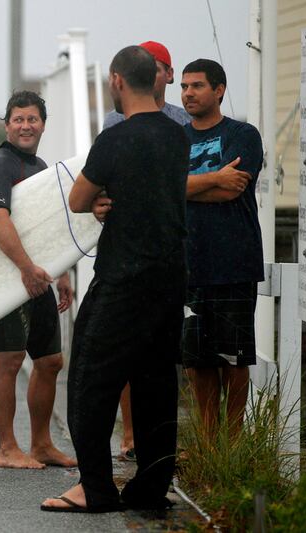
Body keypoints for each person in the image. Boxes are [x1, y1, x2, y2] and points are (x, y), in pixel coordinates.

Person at [42, 45, 188, 512]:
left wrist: (103, 198)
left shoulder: (115, 138)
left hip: (123, 275)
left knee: (90, 378)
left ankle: (94, 489)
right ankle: (150, 489)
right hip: (169, 276)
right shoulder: (178, 136)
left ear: (117, 82)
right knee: (156, 383)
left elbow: (79, 199)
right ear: (158, 80)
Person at [0, 90, 76, 470]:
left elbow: (53, 226)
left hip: (39, 277)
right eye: (18, 119)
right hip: (6, 278)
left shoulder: (40, 167)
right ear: (7, 125)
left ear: (43, 125)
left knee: (50, 362)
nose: (25, 126)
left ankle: (42, 444)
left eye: (32, 119)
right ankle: (7, 448)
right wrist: (25, 268)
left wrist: (62, 271)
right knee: (10, 360)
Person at [102, 40, 190, 463]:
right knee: (131, 353)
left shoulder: (179, 124)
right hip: (141, 253)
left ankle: (152, 457)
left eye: (160, 67)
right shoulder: (114, 123)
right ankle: (132, 436)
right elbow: (102, 187)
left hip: (160, 252)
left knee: (156, 360)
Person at [180, 58, 264, 440]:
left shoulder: (243, 134)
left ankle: (233, 442)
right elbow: (168, 189)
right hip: (187, 264)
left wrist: (186, 188)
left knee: (234, 357)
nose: (188, 93)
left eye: (197, 85)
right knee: (197, 361)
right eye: (183, 86)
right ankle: (209, 443)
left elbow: (234, 188)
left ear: (219, 90)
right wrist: (213, 180)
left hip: (233, 262)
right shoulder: (176, 138)